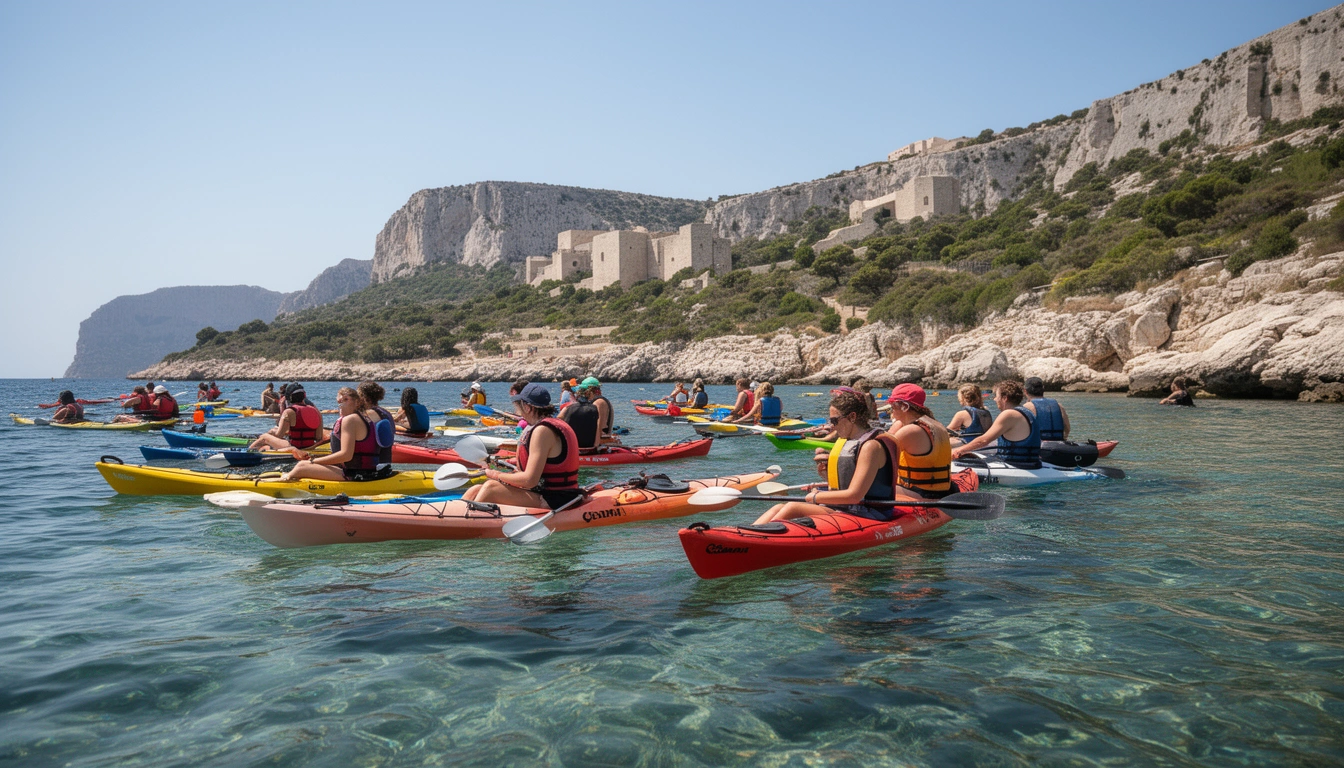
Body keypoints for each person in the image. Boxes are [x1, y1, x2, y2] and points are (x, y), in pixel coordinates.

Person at [751, 390, 904, 525]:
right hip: (851, 508)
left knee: (793, 507)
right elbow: (850, 485)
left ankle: (753, 541)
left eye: (834, 420)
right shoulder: (850, 441)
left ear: (852, 417)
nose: (832, 426)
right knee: (778, 507)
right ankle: (744, 534)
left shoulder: (871, 446)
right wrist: (826, 477)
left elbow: (854, 495)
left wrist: (818, 496)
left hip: (869, 513)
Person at [462, 383, 582, 510]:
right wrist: (504, 463)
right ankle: (453, 516)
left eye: (518, 405)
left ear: (527, 407)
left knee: (490, 488)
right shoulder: (546, 426)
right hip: (548, 494)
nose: (517, 411)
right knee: (475, 490)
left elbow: (530, 480)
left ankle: (464, 523)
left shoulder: (542, 431)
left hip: (557, 499)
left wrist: (495, 474)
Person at [277, 387, 384, 482]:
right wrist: (316, 457)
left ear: (357, 402)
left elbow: (346, 455)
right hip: (365, 471)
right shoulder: (364, 418)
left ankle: (286, 479)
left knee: (301, 467)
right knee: (305, 464)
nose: (341, 405)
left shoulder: (350, 420)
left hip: (356, 475)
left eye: (346, 400)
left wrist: (314, 461)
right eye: (339, 402)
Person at [883, 384, 955, 499]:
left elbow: (879, 459)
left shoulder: (910, 431)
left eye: (893, 405)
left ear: (905, 407)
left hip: (921, 494)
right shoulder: (935, 424)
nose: (891, 408)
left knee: (870, 486)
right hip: (943, 490)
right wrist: (899, 423)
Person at [952, 380, 1041, 468]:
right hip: (1032, 462)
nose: (995, 399)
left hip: (1015, 464)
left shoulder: (1008, 414)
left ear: (1004, 398)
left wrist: (958, 450)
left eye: (996, 396)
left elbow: (983, 440)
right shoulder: (1027, 412)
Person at [249, 386, 324, 451]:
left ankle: (248, 452)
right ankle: (265, 448)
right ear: (304, 395)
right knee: (273, 431)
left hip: (294, 447)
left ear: (290, 397)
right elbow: (318, 437)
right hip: (310, 447)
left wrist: (272, 433)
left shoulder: (289, 411)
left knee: (264, 437)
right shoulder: (316, 411)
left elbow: (279, 435)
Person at [357, 381, 396, 464]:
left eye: (358, 396)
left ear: (364, 397)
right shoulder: (386, 412)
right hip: (386, 461)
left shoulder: (368, 414)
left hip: (373, 464)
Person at [560, 381, 602, 452]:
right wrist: (596, 446)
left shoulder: (568, 408)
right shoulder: (594, 409)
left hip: (572, 446)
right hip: (589, 447)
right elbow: (598, 429)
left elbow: (559, 418)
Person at [580, 377, 618, 444]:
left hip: (601, 443)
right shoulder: (601, 401)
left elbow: (598, 427)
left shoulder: (599, 403)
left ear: (589, 391)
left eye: (583, 391)